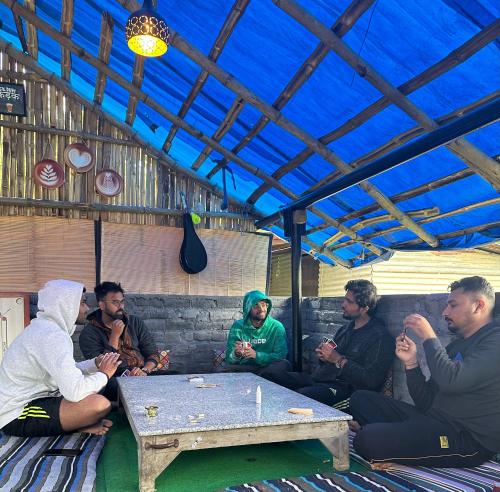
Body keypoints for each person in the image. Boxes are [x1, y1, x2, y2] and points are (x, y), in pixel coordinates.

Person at [350, 276, 500, 468]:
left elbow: (452, 380)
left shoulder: (495, 341)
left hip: (466, 439)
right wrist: (411, 362)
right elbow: (425, 401)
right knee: (360, 399)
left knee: (367, 440)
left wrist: (429, 337)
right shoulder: (457, 345)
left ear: (479, 306)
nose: (445, 312)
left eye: (453, 305)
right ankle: (397, 436)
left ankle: (385, 436)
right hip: (432, 420)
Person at [0, 279, 121, 437]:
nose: (87, 308)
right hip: (16, 414)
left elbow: (68, 373)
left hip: (42, 397)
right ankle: (77, 424)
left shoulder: (47, 329)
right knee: (99, 404)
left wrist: (95, 364)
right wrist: (104, 374)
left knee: (95, 386)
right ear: (66, 305)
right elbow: (74, 391)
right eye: (82, 303)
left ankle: (78, 423)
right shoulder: (51, 335)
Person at [262, 280, 394, 407]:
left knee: (300, 397)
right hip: (321, 380)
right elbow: (329, 360)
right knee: (270, 375)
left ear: (364, 308)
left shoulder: (380, 337)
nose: (343, 305)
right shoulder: (346, 329)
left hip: (348, 392)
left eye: (349, 301)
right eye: (345, 299)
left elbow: (371, 381)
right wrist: (324, 357)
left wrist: (338, 359)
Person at [79, 282, 169, 400]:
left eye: (122, 301)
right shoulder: (89, 333)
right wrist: (115, 336)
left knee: (179, 379)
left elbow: (152, 353)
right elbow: (101, 366)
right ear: (101, 305)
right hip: (113, 379)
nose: (120, 307)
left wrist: (145, 371)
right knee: (127, 387)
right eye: (115, 302)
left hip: (142, 373)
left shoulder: (135, 322)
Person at [223, 290, 290, 375]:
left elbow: (281, 355)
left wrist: (256, 355)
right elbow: (229, 358)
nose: (261, 309)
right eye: (256, 306)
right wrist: (236, 354)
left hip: (268, 368)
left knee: (282, 364)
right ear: (248, 309)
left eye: (263, 305)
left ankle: (261, 378)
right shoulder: (238, 326)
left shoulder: (276, 327)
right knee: (225, 369)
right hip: (245, 368)